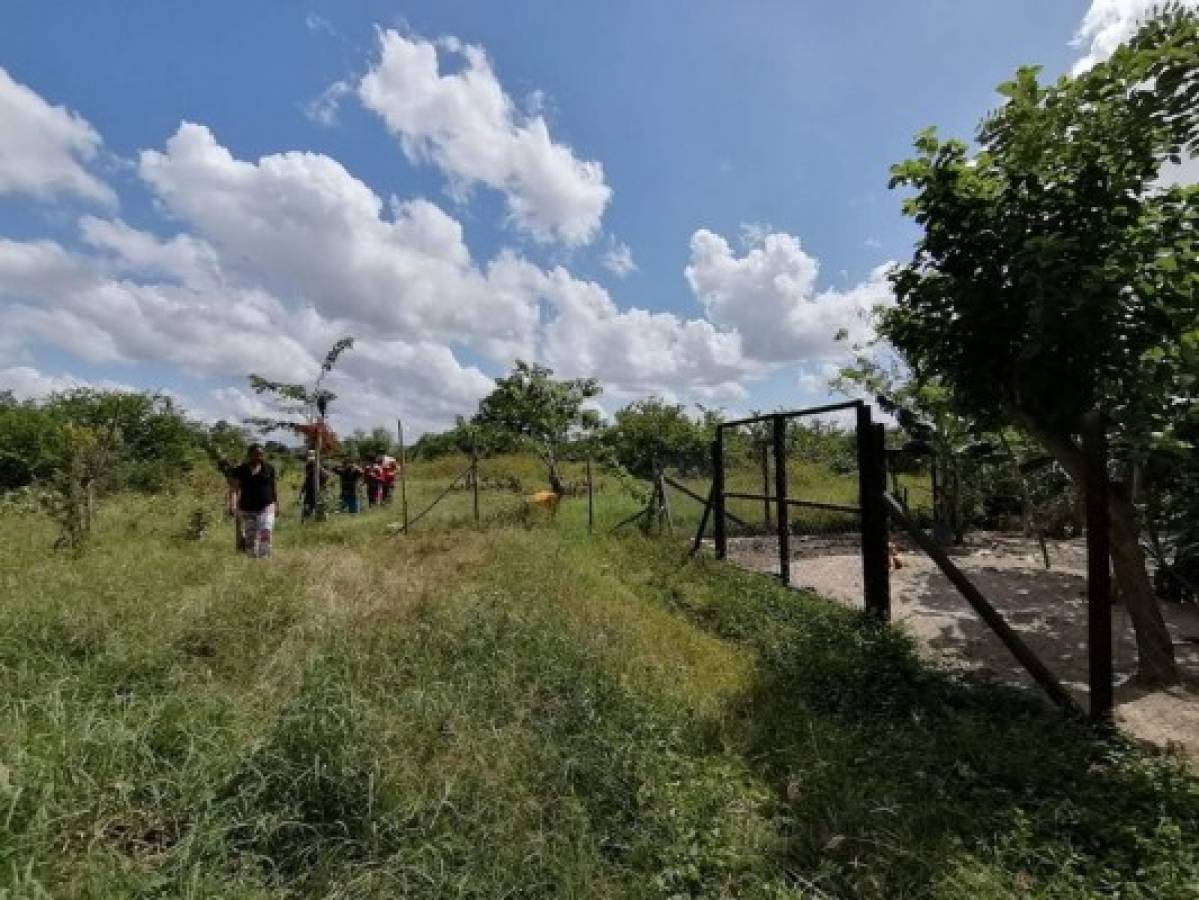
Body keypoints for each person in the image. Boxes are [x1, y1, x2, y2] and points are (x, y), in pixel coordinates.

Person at [227, 443, 278, 558]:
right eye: (255, 454)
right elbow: (234, 490)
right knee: (250, 537)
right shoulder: (240, 470)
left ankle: (264, 558)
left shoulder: (269, 468)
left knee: (266, 531)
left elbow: (273, 487)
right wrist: (232, 505)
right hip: (247, 508)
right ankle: (252, 562)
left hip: (266, 506)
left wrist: (276, 504)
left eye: (261, 454)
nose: (258, 457)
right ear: (249, 455)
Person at [300, 450, 332, 521]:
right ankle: (305, 520)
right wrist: (302, 490)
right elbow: (307, 479)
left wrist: (320, 469)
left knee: (321, 508)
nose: (311, 461)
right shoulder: (307, 466)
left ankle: (321, 520)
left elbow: (327, 476)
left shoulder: (320, 467)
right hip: (309, 491)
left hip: (319, 491)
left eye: (312, 460)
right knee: (307, 507)